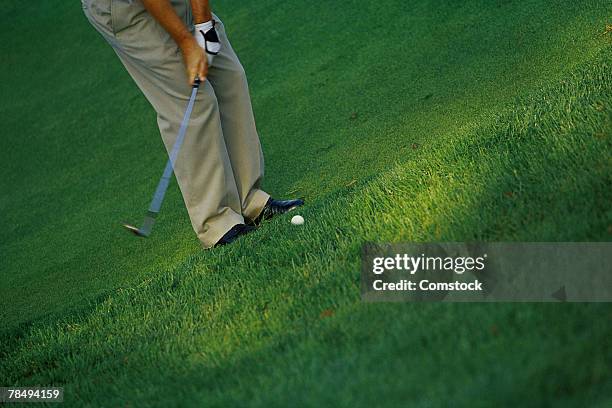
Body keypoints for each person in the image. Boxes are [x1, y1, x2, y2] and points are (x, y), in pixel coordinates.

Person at [82, 0, 304, 248]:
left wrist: (204, 26)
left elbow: (205, 29)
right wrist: (187, 43)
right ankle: (217, 224)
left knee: (228, 75)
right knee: (192, 99)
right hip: (125, 8)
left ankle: (249, 201)